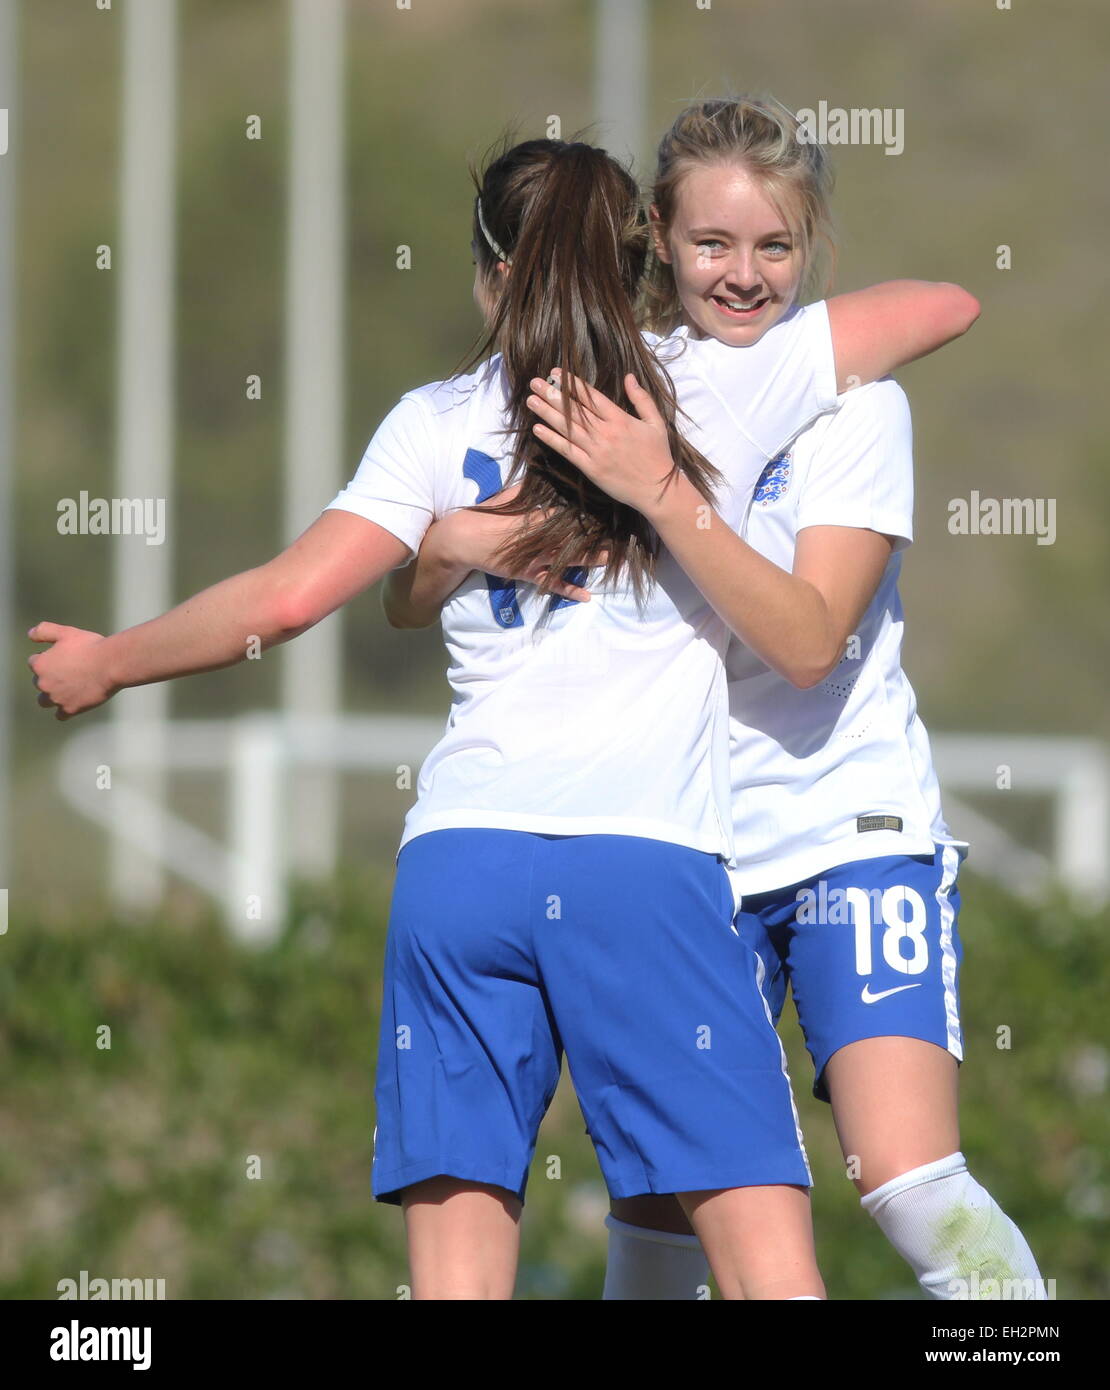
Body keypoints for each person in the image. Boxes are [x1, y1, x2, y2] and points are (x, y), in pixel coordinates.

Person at [28, 132, 976, 1300]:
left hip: (457, 871)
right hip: (643, 873)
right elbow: (940, 305)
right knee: (771, 1276)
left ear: (488, 275)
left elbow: (279, 602)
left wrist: (110, 663)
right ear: (644, 263)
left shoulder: (433, 421)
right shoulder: (708, 391)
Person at [484, 97, 1040, 1301]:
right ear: (659, 245)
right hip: (687, 849)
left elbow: (802, 639)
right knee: (659, 1211)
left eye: (774, 247)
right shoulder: (622, 393)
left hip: (850, 832)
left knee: (910, 1179)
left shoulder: (855, 402)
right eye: (712, 245)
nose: (742, 275)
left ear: (812, 249)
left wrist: (664, 493)